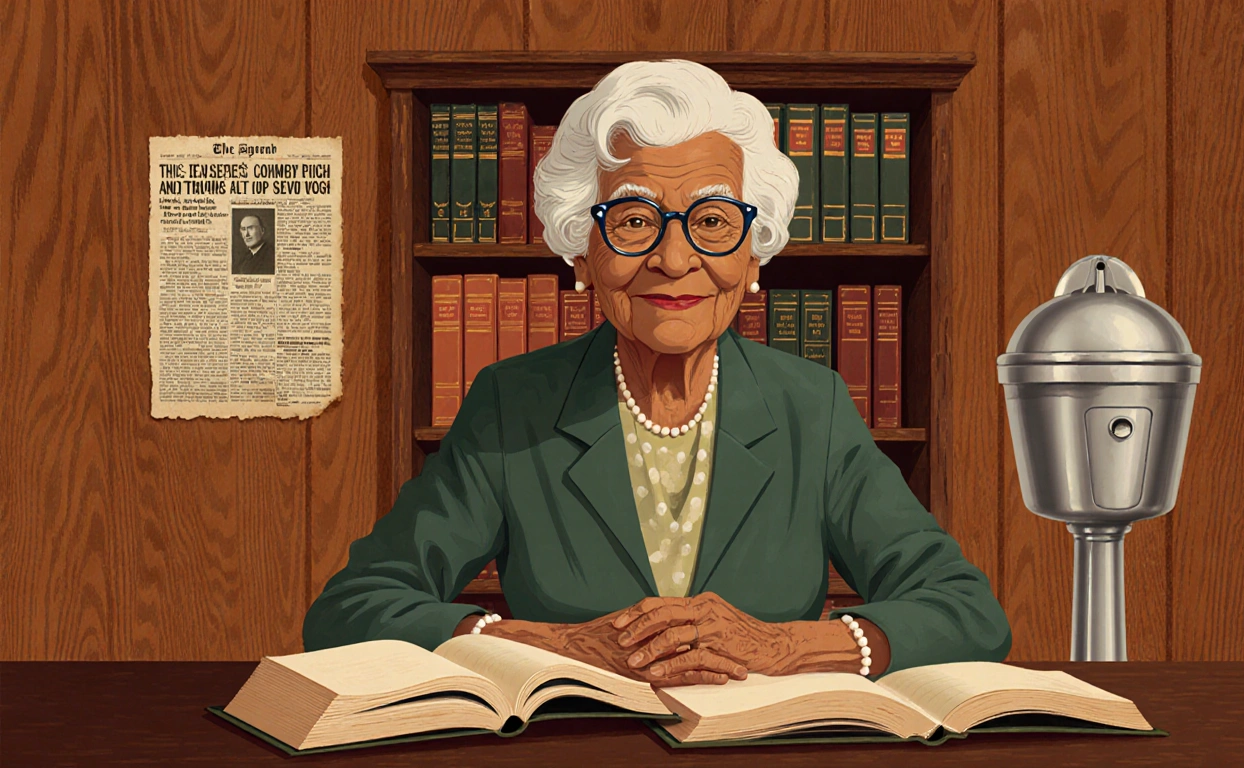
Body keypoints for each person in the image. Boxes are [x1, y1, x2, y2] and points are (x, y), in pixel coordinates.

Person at [304, 60, 1011, 686]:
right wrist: (551, 647)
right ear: (582, 252)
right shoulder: (512, 403)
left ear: (755, 254)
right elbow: (353, 609)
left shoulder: (810, 407)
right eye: (635, 219)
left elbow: (965, 610)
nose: (674, 261)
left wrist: (787, 648)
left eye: (712, 220)